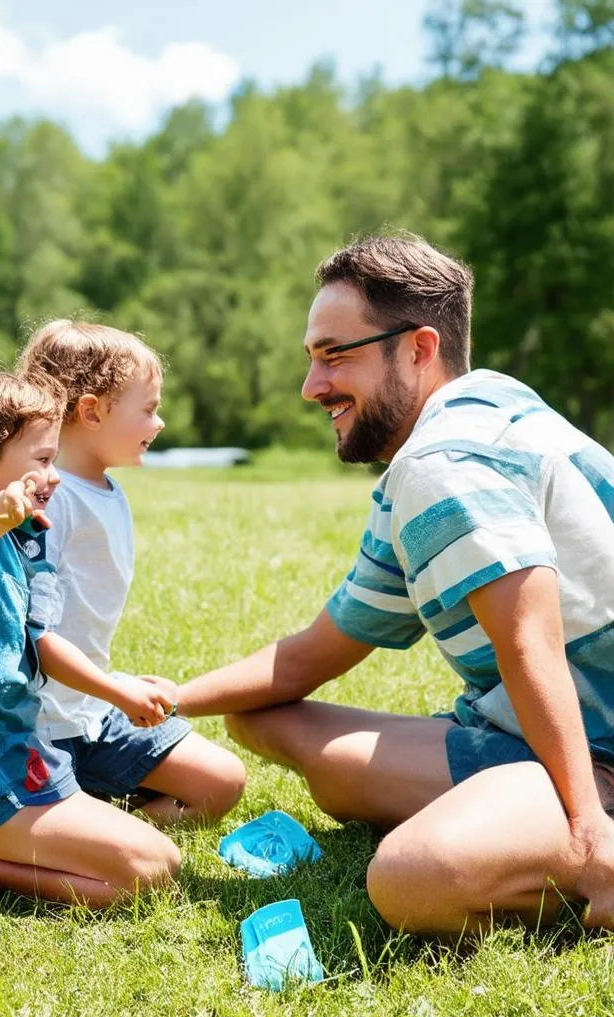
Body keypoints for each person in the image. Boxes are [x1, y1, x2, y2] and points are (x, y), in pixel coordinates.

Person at [174, 232, 614, 936]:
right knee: (260, 714)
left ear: (418, 348)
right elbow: (312, 654)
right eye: (312, 358)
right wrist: (160, 698)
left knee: (411, 879)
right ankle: (518, 813)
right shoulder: (474, 419)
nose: (311, 387)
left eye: (334, 355)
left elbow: (531, 641)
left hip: (598, 754)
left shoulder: (445, 461)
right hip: (543, 734)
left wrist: (589, 830)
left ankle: (574, 832)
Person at [0, 368, 182, 907]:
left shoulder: (20, 536)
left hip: (9, 744)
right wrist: (11, 505)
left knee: (153, 867)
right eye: (42, 462)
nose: (55, 476)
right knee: (149, 870)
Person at [16, 320, 245, 824]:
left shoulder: (106, 490)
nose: (159, 422)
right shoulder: (46, 504)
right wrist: (115, 689)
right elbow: (35, 636)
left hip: (93, 713)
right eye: (148, 409)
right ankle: (92, 815)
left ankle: (110, 811)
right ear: (92, 411)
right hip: (36, 728)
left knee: (222, 782)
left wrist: (111, 686)